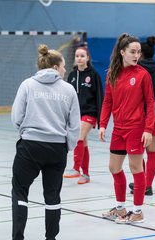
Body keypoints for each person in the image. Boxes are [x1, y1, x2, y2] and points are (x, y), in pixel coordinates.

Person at [11, 44, 80, 240]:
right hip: (57, 148)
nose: (66, 70)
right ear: (56, 67)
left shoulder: (27, 85)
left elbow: (16, 116)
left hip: (30, 147)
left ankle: (18, 237)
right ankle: (51, 238)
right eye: (64, 66)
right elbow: (74, 125)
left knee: (20, 191)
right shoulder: (68, 90)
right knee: (52, 196)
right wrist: (67, 146)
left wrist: (26, 132)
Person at [99, 33, 155, 224]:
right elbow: (107, 101)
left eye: (138, 52)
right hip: (119, 129)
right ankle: (121, 208)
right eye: (132, 51)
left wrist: (148, 129)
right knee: (114, 167)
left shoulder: (142, 75)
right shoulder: (111, 74)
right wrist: (103, 124)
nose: (136, 55)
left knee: (135, 168)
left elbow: (150, 103)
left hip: (136, 129)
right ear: (122, 52)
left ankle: (137, 211)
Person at [128, 36, 155, 196]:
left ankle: (142, 184)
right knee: (152, 152)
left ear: (140, 54)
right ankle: (147, 185)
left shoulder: (135, 71)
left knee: (138, 152)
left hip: (139, 117)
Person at [63, 45, 104, 184]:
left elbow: (100, 96)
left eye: (82, 56)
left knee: (78, 137)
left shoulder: (93, 75)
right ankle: (85, 174)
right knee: (84, 143)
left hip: (90, 112)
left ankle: (75, 168)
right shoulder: (72, 75)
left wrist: (101, 120)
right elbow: (67, 97)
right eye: (77, 56)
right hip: (76, 114)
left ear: (87, 58)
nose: (79, 58)